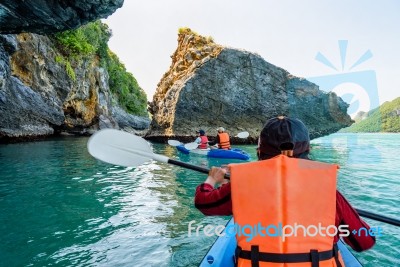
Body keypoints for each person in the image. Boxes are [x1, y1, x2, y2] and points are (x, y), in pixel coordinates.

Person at [195, 116, 375, 267]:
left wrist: (212, 179)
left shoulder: (240, 186)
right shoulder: (329, 193)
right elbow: (365, 241)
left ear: (260, 151)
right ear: (307, 150)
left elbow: (204, 202)